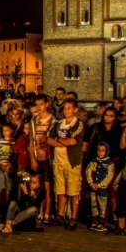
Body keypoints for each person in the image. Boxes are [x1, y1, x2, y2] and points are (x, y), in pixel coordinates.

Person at [46, 98, 85, 230]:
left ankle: (73, 218)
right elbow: (49, 140)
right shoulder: (58, 123)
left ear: (75, 110)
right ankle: (60, 215)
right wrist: (60, 141)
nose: (66, 111)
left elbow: (72, 141)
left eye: (69, 108)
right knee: (60, 190)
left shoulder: (78, 124)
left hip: (71, 162)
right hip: (58, 160)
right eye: (65, 108)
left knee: (73, 191)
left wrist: (58, 139)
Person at [29, 94, 56, 223]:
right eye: (37, 104)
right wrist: (32, 158)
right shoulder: (33, 121)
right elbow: (31, 141)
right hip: (37, 156)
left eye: (41, 104)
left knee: (47, 186)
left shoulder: (53, 120)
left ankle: (48, 211)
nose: (39, 107)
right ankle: (39, 210)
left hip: (48, 157)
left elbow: (52, 140)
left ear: (47, 104)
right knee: (37, 185)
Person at [86, 142, 114, 232]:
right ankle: (94, 220)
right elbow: (88, 172)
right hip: (93, 187)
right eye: (99, 150)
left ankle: (103, 222)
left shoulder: (109, 163)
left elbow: (110, 176)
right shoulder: (93, 161)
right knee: (94, 204)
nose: (100, 152)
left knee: (103, 205)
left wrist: (101, 185)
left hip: (102, 188)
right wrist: (91, 183)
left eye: (103, 151)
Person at [0, 123, 17, 208]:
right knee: (0, 185)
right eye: (3, 131)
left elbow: (15, 154)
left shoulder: (13, 141)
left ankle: (7, 203)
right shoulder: (0, 141)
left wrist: (9, 164)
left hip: (9, 167)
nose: (4, 132)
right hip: (0, 167)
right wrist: (1, 163)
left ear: (11, 131)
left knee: (8, 186)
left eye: (7, 130)